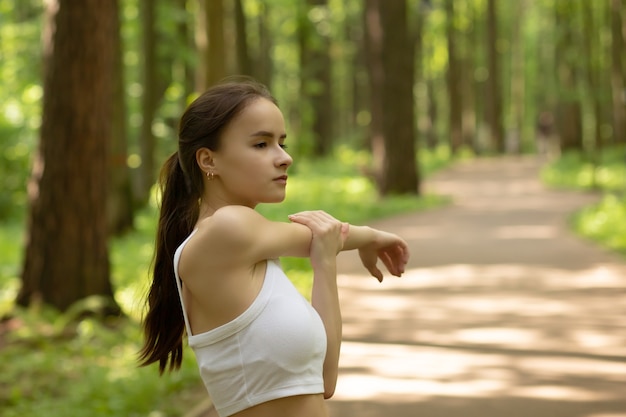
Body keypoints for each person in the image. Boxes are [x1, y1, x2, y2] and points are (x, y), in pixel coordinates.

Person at [138, 79, 410, 417]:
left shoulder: (248, 247)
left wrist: (328, 263)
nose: (285, 158)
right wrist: (367, 237)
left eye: (281, 143)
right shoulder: (229, 228)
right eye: (261, 144)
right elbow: (317, 236)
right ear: (209, 160)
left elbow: (325, 381)